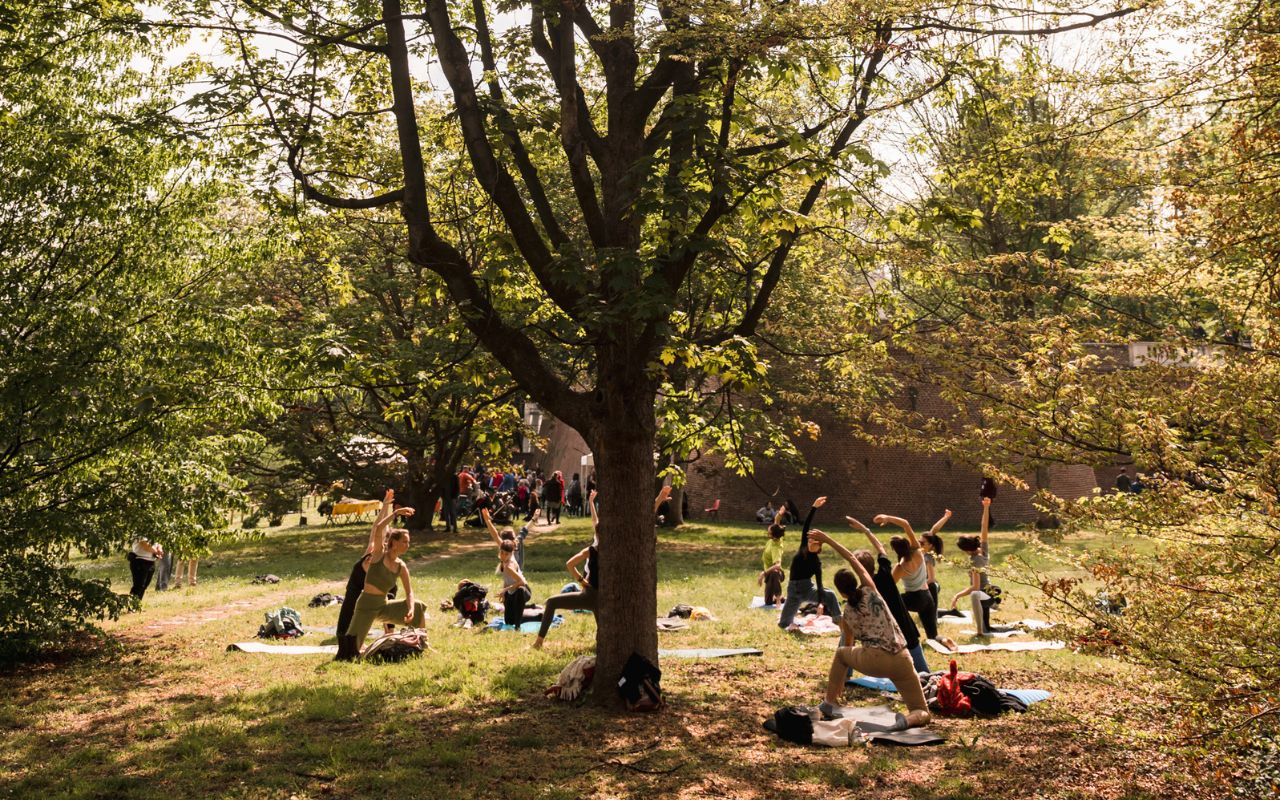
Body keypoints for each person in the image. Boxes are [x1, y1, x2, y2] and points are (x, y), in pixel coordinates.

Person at [809, 530, 932, 727]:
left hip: (873, 660)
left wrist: (840, 680)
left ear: (840, 591)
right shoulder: (871, 590)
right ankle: (908, 720)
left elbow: (848, 646)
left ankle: (828, 703)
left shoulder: (847, 614)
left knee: (841, 654)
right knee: (922, 710)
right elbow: (851, 558)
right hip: (902, 658)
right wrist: (828, 539)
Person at [533, 486, 672, 649]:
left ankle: (538, 643)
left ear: (598, 535)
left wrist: (582, 581)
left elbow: (569, 564)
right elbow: (640, 523)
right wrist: (659, 499)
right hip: (608, 598)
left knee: (551, 602)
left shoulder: (592, 550)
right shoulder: (618, 550)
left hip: (591, 596)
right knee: (605, 639)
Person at [341, 496, 428, 655]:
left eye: (408, 542)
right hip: (366, 606)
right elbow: (379, 527)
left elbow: (409, 592)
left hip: (383, 605)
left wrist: (410, 609)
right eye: (404, 542)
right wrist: (396, 513)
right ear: (393, 543)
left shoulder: (401, 566)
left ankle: (421, 644)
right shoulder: (378, 555)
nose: (407, 545)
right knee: (350, 651)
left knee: (418, 606)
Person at [843, 517, 931, 670]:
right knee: (924, 673)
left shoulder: (861, 593)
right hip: (908, 632)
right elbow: (880, 548)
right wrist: (865, 529)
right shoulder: (886, 575)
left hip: (887, 644)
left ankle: (846, 672)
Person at [867, 512, 956, 651]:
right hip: (927, 597)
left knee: (891, 604)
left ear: (895, 551)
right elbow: (906, 524)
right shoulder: (918, 552)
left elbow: (889, 588)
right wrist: (888, 518)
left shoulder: (900, 567)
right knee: (932, 635)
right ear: (908, 544)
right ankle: (943, 640)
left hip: (913, 598)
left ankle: (896, 634)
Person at [777, 497, 841, 630]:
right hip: (793, 590)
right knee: (783, 624)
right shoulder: (803, 547)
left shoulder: (817, 563)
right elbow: (806, 525)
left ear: (819, 546)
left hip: (807, 589)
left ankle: (839, 620)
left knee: (830, 594)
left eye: (814, 540)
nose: (810, 541)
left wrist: (820, 603)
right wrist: (814, 507)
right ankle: (791, 616)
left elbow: (819, 584)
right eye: (810, 539)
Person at [951, 497, 997, 634]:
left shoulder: (975, 561)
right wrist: (986, 507)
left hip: (985, 594)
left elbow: (975, 587)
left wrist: (957, 595)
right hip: (988, 592)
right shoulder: (982, 550)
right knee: (979, 599)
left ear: (966, 549)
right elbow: (984, 528)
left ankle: (980, 631)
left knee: (974, 594)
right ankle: (984, 627)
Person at [921, 509, 951, 615]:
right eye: (920, 541)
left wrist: (919, 586)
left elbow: (931, 579)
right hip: (923, 585)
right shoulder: (922, 551)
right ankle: (951, 612)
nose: (919, 543)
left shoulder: (928, 557)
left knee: (930, 612)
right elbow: (933, 530)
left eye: (922, 543)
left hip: (930, 585)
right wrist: (945, 517)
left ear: (930, 545)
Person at [757, 508, 787, 605]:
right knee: (768, 602)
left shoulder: (776, 547)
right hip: (769, 574)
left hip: (777, 574)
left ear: (773, 536)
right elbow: (776, 522)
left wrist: (763, 573)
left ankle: (778, 598)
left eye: (769, 532)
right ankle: (782, 598)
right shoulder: (777, 537)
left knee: (774, 573)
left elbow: (777, 566)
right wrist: (779, 514)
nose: (767, 532)